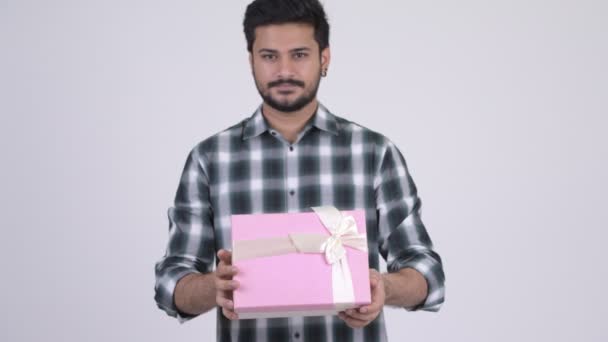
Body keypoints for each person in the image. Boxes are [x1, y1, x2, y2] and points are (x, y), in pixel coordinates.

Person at [154, 0, 445, 341]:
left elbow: (427, 272)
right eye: (269, 56)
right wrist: (211, 287)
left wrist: (385, 287)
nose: (284, 71)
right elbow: (170, 281)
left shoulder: (374, 153)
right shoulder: (209, 159)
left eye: (299, 54)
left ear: (324, 58)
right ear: (251, 61)